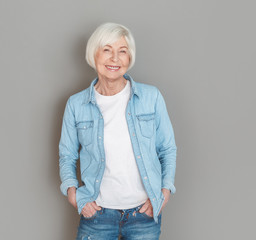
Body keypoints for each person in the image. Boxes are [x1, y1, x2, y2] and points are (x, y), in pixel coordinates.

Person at [59, 22, 177, 240]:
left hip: (144, 214)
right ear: (93, 55)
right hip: (97, 215)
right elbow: (67, 155)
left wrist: (164, 192)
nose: (115, 59)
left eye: (122, 51)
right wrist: (74, 195)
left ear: (129, 58)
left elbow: (167, 148)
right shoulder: (76, 105)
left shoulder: (151, 98)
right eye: (107, 50)